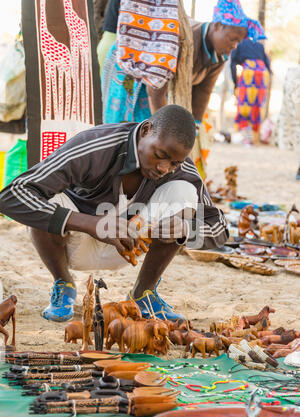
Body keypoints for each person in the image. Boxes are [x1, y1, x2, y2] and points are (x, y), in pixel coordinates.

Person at [0, 105, 228, 323]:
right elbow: (11, 195)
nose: (163, 168)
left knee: (184, 191)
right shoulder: (96, 145)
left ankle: (143, 294)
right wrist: (92, 224)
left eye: (173, 163)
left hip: (132, 247)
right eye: (159, 155)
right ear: (146, 130)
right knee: (44, 199)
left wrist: (186, 230)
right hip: (76, 243)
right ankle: (64, 283)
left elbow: (220, 227)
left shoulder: (179, 167)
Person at [100, 0, 265, 176]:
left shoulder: (219, 56)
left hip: (159, 93)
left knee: (157, 148)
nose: (234, 46)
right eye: (232, 39)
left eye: (238, 43)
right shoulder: (183, 39)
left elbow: (203, 92)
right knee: (131, 137)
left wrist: (191, 131)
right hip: (133, 76)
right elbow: (155, 91)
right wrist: (167, 132)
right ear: (217, 26)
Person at [231, 38, 271, 145]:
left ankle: (246, 138)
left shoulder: (238, 43)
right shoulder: (259, 45)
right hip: (263, 73)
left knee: (244, 107)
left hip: (249, 74)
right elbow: (267, 62)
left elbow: (233, 63)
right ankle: (254, 138)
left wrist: (236, 83)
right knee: (256, 107)